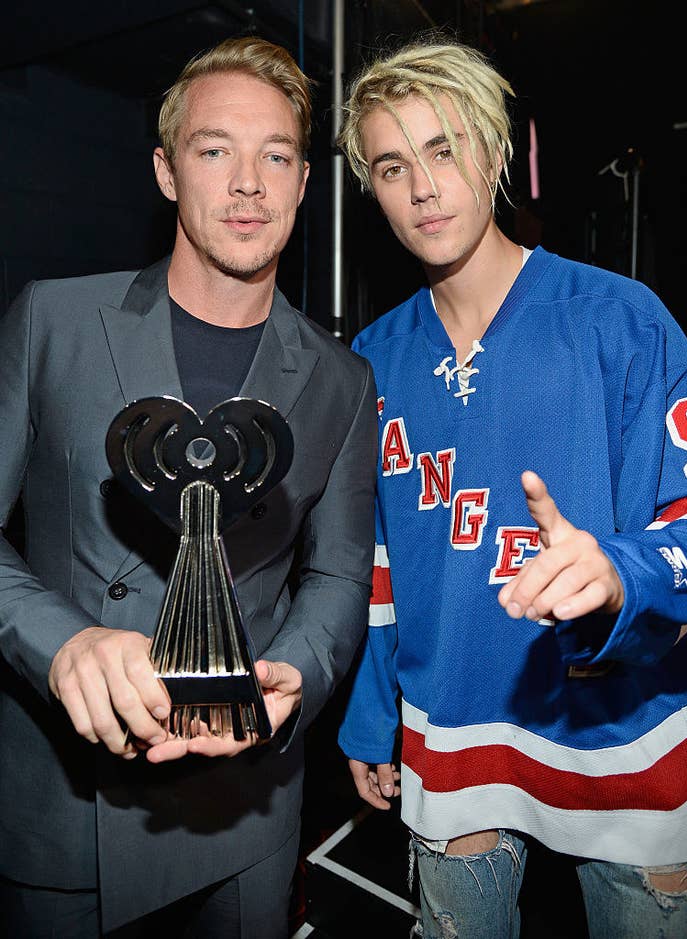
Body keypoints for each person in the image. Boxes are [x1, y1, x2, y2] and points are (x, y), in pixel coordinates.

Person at [0, 36, 377, 939]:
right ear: (168, 172)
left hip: (243, 810)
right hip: (64, 807)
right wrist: (58, 643)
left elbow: (337, 576)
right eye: (216, 150)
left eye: (275, 156)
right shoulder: (52, 320)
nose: (248, 183)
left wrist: (298, 670)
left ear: (300, 184)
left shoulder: (342, 380)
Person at [336, 36, 687, 938]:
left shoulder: (621, 319)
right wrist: (371, 714)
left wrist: (621, 571)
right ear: (371, 188)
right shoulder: (370, 362)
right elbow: (376, 562)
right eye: (392, 164)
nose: (423, 185)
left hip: (627, 730)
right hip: (451, 729)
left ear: (496, 155)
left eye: (445, 148)